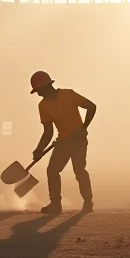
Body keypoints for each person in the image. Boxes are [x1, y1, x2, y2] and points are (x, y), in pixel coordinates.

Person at [30, 71, 96, 215]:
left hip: (78, 140)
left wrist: (84, 127)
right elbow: (48, 132)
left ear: (47, 86)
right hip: (63, 142)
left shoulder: (68, 95)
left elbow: (92, 106)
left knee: (79, 170)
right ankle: (55, 205)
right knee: (52, 170)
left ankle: (88, 202)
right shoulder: (43, 106)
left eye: (39, 91)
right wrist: (39, 149)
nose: (38, 94)